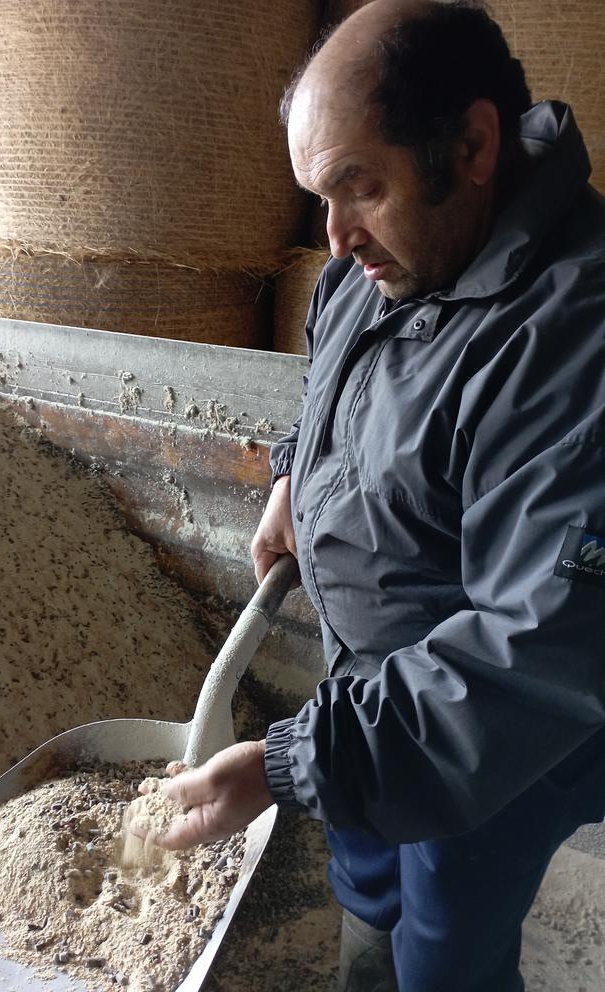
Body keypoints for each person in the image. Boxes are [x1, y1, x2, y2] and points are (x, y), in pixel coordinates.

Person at [140, 2, 605, 989]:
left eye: (361, 184)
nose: (336, 234)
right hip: (368, 694)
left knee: (446, 942)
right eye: (320, 194)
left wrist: (287, 762)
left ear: (472, 144)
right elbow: (335, 385)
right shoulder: (383, 257)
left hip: (484, 743)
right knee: (372, 891)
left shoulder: (575, 342)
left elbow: (530, 653)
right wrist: (293, 476)